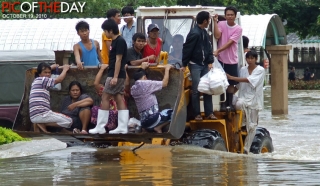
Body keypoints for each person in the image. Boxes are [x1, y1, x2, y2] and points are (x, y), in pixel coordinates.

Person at [89, 19, 128, 134]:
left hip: (116, 74)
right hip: (116, 73)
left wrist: (115, 77)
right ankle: (122, 126)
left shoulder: (120, 41)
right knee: (118, 97)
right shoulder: (115, 41)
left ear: (110, 31)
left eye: (105, 31)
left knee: (105, 97)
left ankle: (100, 126)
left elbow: (118, 59)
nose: (105, 34)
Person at [226, 50, 265, 154]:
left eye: (252, 58)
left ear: (256, 59)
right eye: (248, 58)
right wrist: (231, 93)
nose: (250, 60)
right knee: (236, 103)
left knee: (252, 126)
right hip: (243, 97)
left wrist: (231, 77)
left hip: (254, 100)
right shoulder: (243, 69)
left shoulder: (260, 70)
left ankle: (246, 149)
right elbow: (239, 84)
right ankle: (243, 123)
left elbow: (249, 80)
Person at [181, 11, 217, 121]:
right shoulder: (195, 33)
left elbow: (208, 48)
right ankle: (197, 114)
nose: (209, 22)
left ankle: (209, 113)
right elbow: (187, 49)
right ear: (205, 21)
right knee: (196, 89)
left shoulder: (203, 32)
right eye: (209, 20)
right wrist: (184, 64)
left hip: (204, 64)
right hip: (195, 64)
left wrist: (210, 61)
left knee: (207, 88)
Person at [213, 6, 243, 111]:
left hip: (231, 60)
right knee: (221, 81)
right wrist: (215, 22)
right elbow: (217, 36)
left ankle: (229, 103)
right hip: (220, 59)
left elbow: (230, 43)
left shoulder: (238, 28)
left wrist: (218, 51)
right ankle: (222, 104)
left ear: (235, 16)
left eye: (231, 15)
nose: (229, 16)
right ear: (225, 16)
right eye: (228, 15)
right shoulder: (221, 24)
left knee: (231, 82)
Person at [29, 62, 72, 133]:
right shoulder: (43, 80)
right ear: (39, 74)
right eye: (45, 72)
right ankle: (41, 123)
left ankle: (40, 123)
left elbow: (45, 71)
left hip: (34, 116)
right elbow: (59, 80)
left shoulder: (36, 81)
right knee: (69, 121)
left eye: (49, 72)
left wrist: (52, 67)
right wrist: (65, 69)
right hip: (43, 114)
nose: (48, 74)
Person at [131, 64, 173, 133]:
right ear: (144, 77)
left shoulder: (133, 89)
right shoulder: (147, 84)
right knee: (173, 113)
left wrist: (142, 69)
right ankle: (158, 127)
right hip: (154, 119)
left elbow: (140, 78)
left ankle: (146, 129)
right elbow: (164, 83)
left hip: (143, 123)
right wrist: (167, 69)